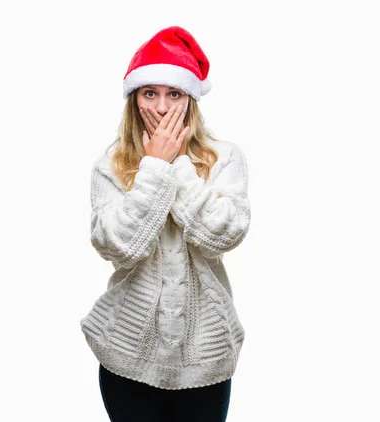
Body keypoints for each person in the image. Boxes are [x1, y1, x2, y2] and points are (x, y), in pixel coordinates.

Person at [79, 25, 251, 422]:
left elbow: (222, 236)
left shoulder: (225, 158)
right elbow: (119, 249)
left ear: (190, 98)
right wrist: (153, 166)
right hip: (127, 352)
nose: (160, 106)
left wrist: (178, 164)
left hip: (205, 354)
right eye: (149, 93)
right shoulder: (110, 165)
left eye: (173, 93)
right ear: (134, 99)